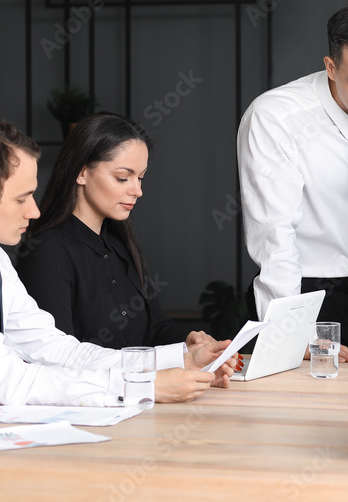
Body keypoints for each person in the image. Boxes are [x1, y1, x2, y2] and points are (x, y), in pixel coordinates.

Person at [0, 117, 234, 435]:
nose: (36, 211)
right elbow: (13, 380)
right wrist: (143, 386)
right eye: (22, 198)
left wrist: (174, 361)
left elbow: (55, 349)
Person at [238, 2, 348, 359]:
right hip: (303, 296)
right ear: (330, 67)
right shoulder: (276, 117)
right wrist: (292, 334)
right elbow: (274, 236)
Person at [19, 113, 226, 361]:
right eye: (122, 178)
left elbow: (156, 328)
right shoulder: (47, 253)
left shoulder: (121, 244)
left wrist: (188, 347)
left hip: (144, 394)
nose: (137, 191)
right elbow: (56, 358)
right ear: (81, 172)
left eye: (140, 178)